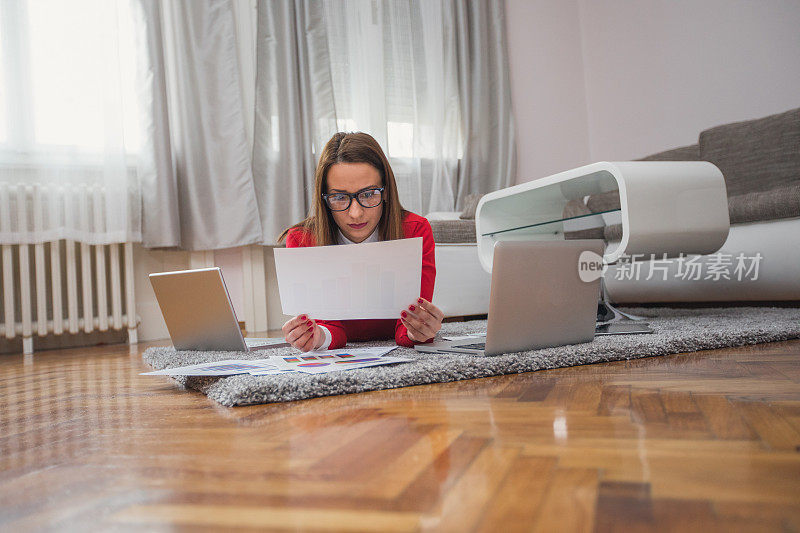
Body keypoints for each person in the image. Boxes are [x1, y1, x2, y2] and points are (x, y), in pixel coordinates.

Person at [279, 132, 443, 352]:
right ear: (324, 198)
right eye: (339, 197)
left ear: (386, 192)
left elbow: (408, 328)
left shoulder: (415, 230)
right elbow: (328, 328)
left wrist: (419, 330)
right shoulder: (302, 240)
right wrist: (317, 337)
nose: (356, 214)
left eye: (368, 194)